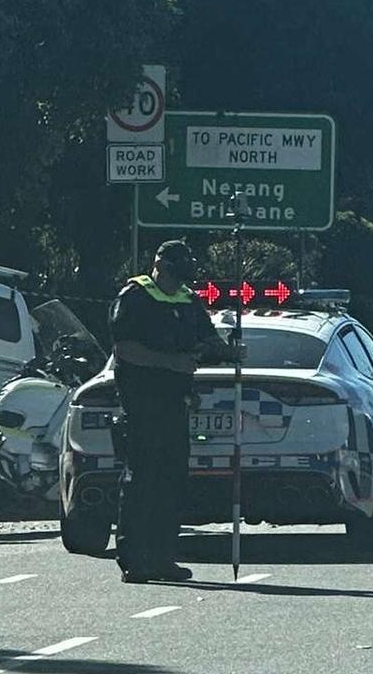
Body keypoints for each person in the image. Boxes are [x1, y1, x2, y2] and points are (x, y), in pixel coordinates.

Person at [109, 239, 238, 583]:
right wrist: (172, 363)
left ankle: (163, 557)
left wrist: (227, 351)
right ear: (160, 266)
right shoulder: (135, 297)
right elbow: (125, 349)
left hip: (175, 402)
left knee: (171, 479)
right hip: (142, 402)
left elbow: (205, 340)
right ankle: (134, 559)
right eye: (175, 271)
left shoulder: (188, 300)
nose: (179, 279)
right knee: (142, 479)